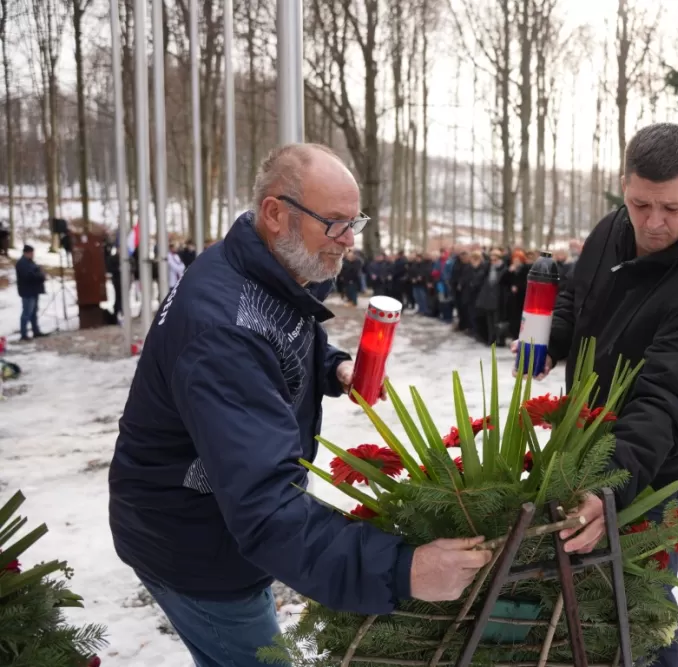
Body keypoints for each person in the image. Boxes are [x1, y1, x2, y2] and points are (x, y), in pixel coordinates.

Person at [108, 143, 491, 667]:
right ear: (275, 213)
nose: (349, 241)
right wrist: (402, 570)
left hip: (218, 531)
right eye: (334, 223)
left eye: (354, 221)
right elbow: (265, 504)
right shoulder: (222, 330)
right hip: (194, 544)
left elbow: (283, 336)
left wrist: (332, 367)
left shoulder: (264, 271)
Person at [515, 123, 678, 667]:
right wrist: (554, 336)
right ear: (624, 187)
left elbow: (667, 403)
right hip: (585, 434)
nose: (653, 223)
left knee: (641, 598)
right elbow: (579, 295)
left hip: (655, 464)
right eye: (640, 203)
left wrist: (611, 487)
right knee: (584, 591)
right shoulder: (612, 228)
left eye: (671, 207)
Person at [15, 244, 47, 341]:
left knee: (33, 313)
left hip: (34, 290)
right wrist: (41, 275)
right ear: (26, 253)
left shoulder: (30, 262)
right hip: (27, 291)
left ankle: (35, 331)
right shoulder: (22, 264)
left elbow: (35, 272)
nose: (33, 254)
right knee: (27, 313)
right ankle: (24, 333)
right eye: (31, 253)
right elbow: (29, 276)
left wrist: (40, 272)